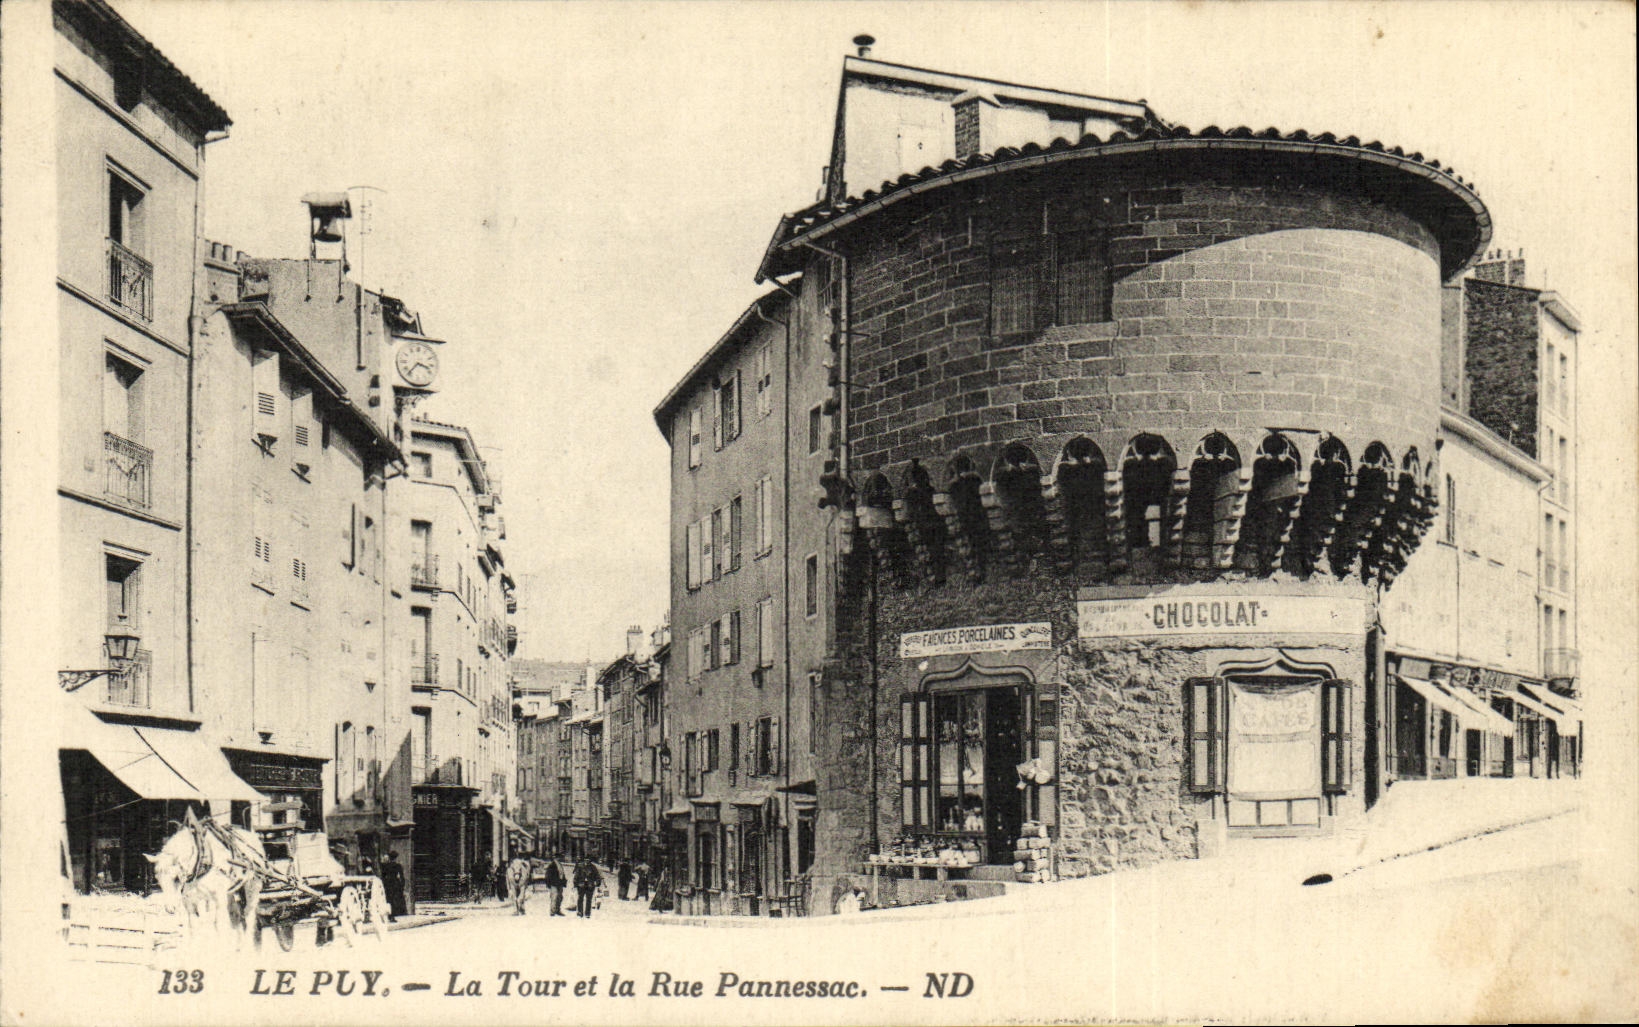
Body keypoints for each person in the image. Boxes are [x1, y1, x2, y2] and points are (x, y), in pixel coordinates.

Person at [381, 851, 408, 921]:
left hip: (387, 884)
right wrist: (402, 885)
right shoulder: (398, 866)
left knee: (388, 900)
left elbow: (383, 876)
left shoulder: (385, 866)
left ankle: (388, 915)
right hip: (395, 884)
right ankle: (392, 916)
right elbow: (401, 876)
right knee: (394, 900)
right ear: (396, 858)